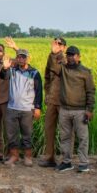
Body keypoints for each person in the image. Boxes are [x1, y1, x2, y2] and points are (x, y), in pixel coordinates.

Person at [47, 42, 96, 173]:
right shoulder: (63, 69)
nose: (70, 57)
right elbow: (53, 66)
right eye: (68, 55)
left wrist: (89, 110)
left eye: (73, 55)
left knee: (82, 137)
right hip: (64, 109)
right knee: (65, 137)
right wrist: (53, 53)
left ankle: (83, 163)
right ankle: (66, 162)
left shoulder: (85, 72)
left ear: (79, 56)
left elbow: (91, 91)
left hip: (80, 110)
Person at [0, 48, 42, 166]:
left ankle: (28, 157)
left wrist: (37, 107)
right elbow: (3, 76)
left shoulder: (34, 72)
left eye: (23, 57)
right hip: (12, 107)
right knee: (11, 134)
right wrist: (4, 68)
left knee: (27, 134)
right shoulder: (12, 70)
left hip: (27, 109)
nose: (21, 59)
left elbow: (38, 91)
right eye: (19, 57)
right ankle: (14, 156)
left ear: (28, 58)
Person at [41, 37, 67, 167]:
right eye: (55, 43)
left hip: (64, 101)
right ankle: (49, 157)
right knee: (49, 129)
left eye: (59, 44)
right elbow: (47, 77)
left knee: (65, 131)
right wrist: (47, 94)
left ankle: (65, 159)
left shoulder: (67, 58)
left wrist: (54, 54)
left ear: (64, 47)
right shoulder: (51, 57)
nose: (56, 45)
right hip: (52, 99)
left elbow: (59, 70)